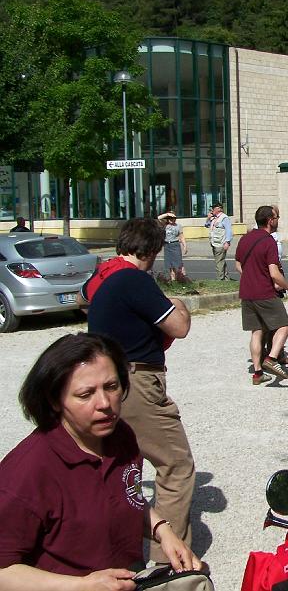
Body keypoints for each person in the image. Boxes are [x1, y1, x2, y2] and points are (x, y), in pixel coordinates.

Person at [0, 333, 201, 590]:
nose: (105, 403)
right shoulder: (27, 472)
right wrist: (80, 586)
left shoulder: (121, 436)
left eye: (111, 386)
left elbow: (126, 497)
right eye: (85, 394)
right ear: (54, 400)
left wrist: (163, 530)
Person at [86, 218, 195, 563]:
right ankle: (168, 561)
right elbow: (178, 327)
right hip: (137, 382)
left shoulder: (104, 275)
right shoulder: (134, 279)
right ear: (152, 250)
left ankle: (113, 548)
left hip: (107, 379)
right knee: (175, 463)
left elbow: (82, 298)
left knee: (121, 466)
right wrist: (178, 303)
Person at [236, 206, 288, 385]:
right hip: (264, 292)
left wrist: (251, 276)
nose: (278, 220)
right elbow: (274, 273)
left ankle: (257, 373)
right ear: (270, 220)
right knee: (284, 326)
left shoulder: (245, 239)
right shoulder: (268, 241)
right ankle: (271, 358)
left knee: (256, 332)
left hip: (247, 292)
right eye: (276, 217)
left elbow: (238, 265)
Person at [205, 202, 233, 280]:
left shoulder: (224, 218)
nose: (211, 210)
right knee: (221, 261)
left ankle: (220, 279)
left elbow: (229, 230)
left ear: (218, 209)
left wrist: (227, 242)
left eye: (213, 208)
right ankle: (226, 278)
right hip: (214, 243)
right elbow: (206, 225)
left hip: (221, 243)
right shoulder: (214, 218)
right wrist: (208, 218)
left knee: (219, 262)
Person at [157, 211, 187, 282]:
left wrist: (185, 246)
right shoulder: (165, 225)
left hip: (175, 244)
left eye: (173, 218)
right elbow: (159, 218)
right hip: (167, 245)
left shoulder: (178, 226)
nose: (171, 219)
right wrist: (167, 214)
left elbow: (181, 236)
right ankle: (173, 280)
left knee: (179, 263)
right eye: (169, 218)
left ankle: (183, 278)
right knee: (170, 264)